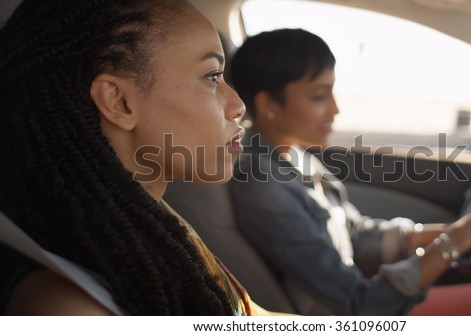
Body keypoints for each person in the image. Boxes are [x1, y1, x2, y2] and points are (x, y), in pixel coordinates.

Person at [229, 28, 471, 315]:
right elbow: (361, 306)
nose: (335, 109)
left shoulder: (293, 156)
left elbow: (355, 236)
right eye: (318, 95)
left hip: (362, 296)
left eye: (332, 91)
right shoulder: (264, 186)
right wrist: (462, 237)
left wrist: (464, 226)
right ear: (268, 104)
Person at [0, 0, 280, 316]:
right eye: (212, 76)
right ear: (119, 102)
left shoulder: (150, 220)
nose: (238, 105)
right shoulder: (67, 308)